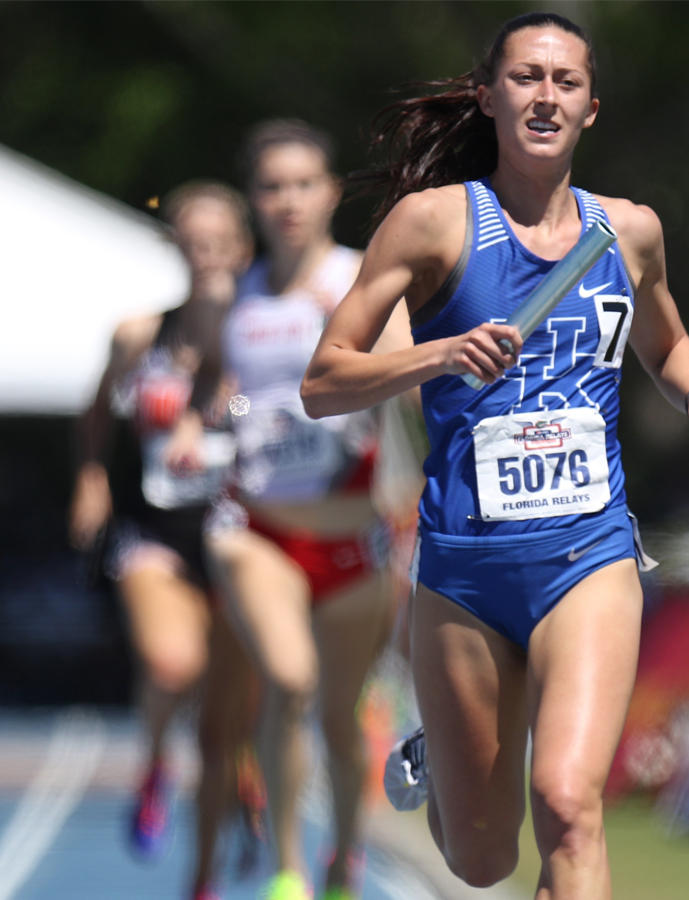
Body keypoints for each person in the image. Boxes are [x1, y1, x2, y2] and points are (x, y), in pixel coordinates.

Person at [301, 13, 689, 899]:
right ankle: (443, 749)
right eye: (525, 78)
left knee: (567, 804)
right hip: (464, 573)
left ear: (592, 109)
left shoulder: (627, 233)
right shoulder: (432, 225)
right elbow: (323, 381)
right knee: (482, 861)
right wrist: (439, 353)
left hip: (586, 557)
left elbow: (667, 346)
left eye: (566, 82)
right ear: (489, 96)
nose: (545, 95)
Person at [203, 120, 410, 900]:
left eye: (302, 184)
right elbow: (203, 397)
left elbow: (415, 383)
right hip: (258, 530)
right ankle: (289, 865)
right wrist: (207, 419)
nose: (287, 200)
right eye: (271, 186)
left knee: (338, 716)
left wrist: (372, 365)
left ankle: (344, 857)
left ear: (330, 193)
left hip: (353, 536)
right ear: (253, 199)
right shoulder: (234, 298)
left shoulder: (365, 279)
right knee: (286, 683)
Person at [68, 181, 259, 900]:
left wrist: (227, 398)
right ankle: (152, 762)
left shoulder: (264, 336)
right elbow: (93, 410)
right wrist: (91, 476)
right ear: (176, 246)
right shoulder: (140, 335)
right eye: (193, 238)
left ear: (242, 249)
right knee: (171, 664)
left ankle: (204, 875)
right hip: (158, 532)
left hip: (243, 539)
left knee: (225, 728)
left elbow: (282, 410)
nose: (206, 251)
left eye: (220, 239)